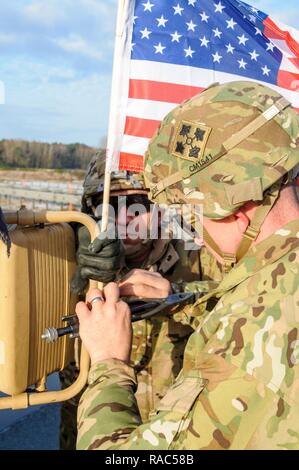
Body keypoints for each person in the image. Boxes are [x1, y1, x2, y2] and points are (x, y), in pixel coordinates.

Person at [75, 80, 299, 450]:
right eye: (110, 208)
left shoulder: (213, 272)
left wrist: (109, 363)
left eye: (195, 213)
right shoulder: (79, 263)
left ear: (234, 207)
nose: (125, 220)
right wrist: (176, 300)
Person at [59, 151, 222, 449]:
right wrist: (73, 250)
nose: (124, 218)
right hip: (88, 432)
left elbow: (247, 307)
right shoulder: (65, 259)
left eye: (138, 204)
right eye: (109, 205)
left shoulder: (202, 256)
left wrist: (176, 296)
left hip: (175, 437)